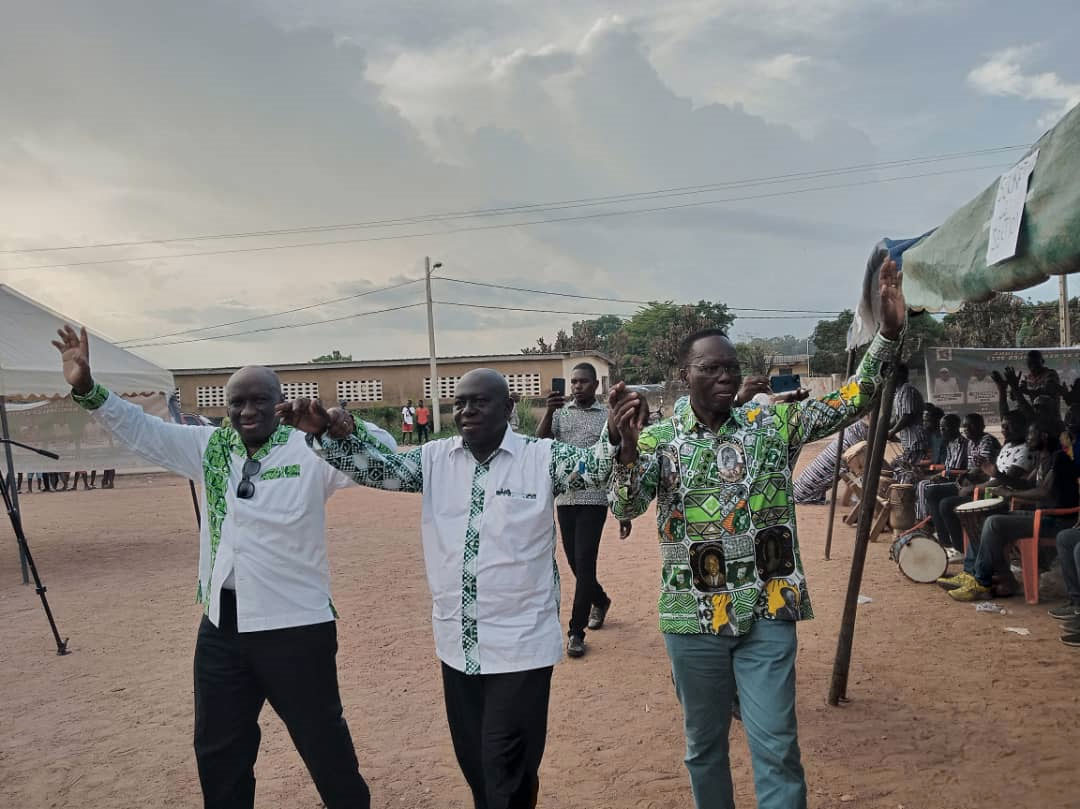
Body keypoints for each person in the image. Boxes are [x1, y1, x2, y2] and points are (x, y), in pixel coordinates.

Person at [51, 324, 394, 809]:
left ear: (280, 402)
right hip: (221, 628)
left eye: (259, 401)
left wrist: (337, 427)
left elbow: (383, 453)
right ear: (225, 407)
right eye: (237, 402)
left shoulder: (311, 450)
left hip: (295, 627)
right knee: (218, 750)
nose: (247, 411)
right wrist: (87, 387)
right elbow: (143, 430)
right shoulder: (211, 448)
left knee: (324, 744)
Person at [609, 258, 905, 809]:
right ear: (686, 376)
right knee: (704, 747)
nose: (724, 376)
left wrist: (887, 334)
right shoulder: (660, 440)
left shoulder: (772, 425)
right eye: (710, 369)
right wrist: (625, 448)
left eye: (730, 367)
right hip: (693, 617)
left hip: (768, 609)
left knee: (777, 744)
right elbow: (626, 503)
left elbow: (854, 399)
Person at [280, 369, 642, 809]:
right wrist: (324, 431)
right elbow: (379, 468)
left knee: (504, 766)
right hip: (458, 644)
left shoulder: (541, 458)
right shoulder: (434, 459)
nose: (467, 411)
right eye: (460, 403)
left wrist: (616, 430)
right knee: (477, 767)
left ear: (509, 410)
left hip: (520, 646)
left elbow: (598, 466)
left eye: (480, 402)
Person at [940, 417, 1078, 601]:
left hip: (1056, 521)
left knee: (995, 523)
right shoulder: (1044, 458)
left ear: (1043, 436)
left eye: (1031, 434)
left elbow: (1044, 491)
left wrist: (1010, 494)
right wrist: (997, 474)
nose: (1028, 438)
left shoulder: (1058, 458)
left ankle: (981, 582)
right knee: (984, 518)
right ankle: (976, 574)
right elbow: (1024, 484)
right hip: (1040, 516)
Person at [536, 362, 615, 658]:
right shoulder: (561, 414)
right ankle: (601, 600)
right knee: (574, 565)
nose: (577, 386)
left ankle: (575, 632)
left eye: (583, 382)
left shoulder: (607, 416)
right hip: (565, 499)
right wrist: (549, 412)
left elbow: (613, 455)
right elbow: (540, 443)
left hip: (594, 500)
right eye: (574, 382)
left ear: (595, 385)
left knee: (585, 564)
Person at [926, 410, 1031, 555]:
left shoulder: (1024, 450)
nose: (1004, 431)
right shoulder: (1008, 446)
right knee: (932, 491)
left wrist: (973, 487)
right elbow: (987, 472)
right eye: (1003, 426)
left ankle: (959, 549)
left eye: (1008, 427)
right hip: (982, 487)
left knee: (947, 504)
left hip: (994, 494)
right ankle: (946, 540)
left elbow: (1003, 481)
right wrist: (966, 479)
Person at [791, 416, 870, 505]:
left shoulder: (850, 434)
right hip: (802, 497)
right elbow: (852, 477)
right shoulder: (853, 445)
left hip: (797, 491)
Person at [914, 414, 969, 522]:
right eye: (940, 427)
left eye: (945, 427)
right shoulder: (950, 443)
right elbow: (947, 466)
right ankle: (924, 517)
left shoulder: (960, 443)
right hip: (948, 476)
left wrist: (934, 476)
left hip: (957, 479)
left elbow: (954, 469)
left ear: (955, 427)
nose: (942, 430)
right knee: (920, 481)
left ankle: (925, 520)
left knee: (923, 485)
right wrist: (928, 473)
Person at [887, 363, 927, 484]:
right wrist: (885, 429)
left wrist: (892, 432)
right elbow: (898, 417)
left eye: (891, 373)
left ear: (901, 374)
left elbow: (907, 416)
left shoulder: (907, 390)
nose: (888, 377)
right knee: (905, 469)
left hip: (915, 441)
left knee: (912, 473)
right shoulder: (898, 393)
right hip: (908, 442)